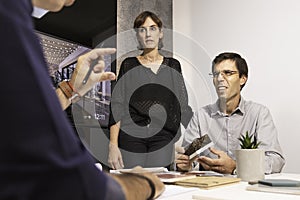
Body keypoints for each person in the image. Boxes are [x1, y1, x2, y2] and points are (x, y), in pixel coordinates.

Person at [0, 0, 165, 199]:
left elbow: (21, 122)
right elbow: (72, 185)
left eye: (153, 28)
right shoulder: (8, 13)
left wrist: (71, 89)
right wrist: (144, 183)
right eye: (142, 29)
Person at [108, 11, 193, 169]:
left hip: (163, 135)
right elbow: (117, 106)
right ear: (137, 35)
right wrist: (113, 146)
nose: (148, 34)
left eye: (153, 28)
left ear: (160, 33)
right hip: (132, 133)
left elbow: (183, 106)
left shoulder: (173, 65)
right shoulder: (129, 64)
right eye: (142, 29)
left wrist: (199, 140)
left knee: (160, 182)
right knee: (135, 183)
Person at [175, 52, 285, 175]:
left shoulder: (259, 114)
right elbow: (188, 159)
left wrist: (236, 167)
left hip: (246, 188)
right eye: (216, 74)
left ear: (243, 79)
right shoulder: (201, 116)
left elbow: (276, 161)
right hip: (210, 188)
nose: (220, 79)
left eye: (228, 73)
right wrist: (183, 164)